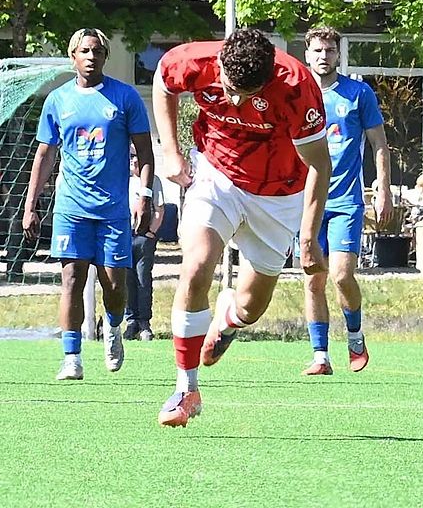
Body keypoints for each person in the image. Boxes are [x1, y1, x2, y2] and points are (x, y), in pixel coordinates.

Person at [152, 27, 331, 426]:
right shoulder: (194, 60)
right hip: (217, 174)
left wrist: (308, 236)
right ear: (220, 65)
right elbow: (163, 81)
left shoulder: (297, 86)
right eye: (231, 89)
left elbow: (320, 163)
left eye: (249, 94)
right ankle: (186, 390)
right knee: (196, 266)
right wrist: (171, 151)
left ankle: (229, 318)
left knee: (251, 308)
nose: (236, 101)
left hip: (280, 194)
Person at [22, 28, 155, 380]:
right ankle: (72, 357)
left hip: (113, 210)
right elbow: (45, 154)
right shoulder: (58, 100)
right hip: (71, 208)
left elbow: (145, 152)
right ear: (73, 56)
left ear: (105, 56)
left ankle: (113, 328)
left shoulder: (125, 97)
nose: (91, 57)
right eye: (84, 51)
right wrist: (30, 204)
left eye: (97, 51)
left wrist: (144, 196)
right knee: (71, 279)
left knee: (115, 286)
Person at [299, 26, 392, 376]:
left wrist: (383, 190)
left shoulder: (358, 93)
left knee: (341, 275)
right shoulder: (296, 95)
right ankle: (320, 356)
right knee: (313, 278)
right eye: (318, 50)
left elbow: (379, 145)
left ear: (339, 55)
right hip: (307, 204)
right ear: (307, 54)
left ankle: (354, 335)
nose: (324, 56)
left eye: (330, 51)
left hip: (346, 201)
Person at [124, 145, 165, 341]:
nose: (134, 160)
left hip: (143, 238)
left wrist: (150, 232)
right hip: (124, 237)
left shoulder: (153, 181)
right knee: (126, 279)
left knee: (142, 279)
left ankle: (144, 323)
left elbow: (159, 209)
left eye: (137, 156)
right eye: (131, 156)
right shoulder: (123, 180)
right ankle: (130, 321)